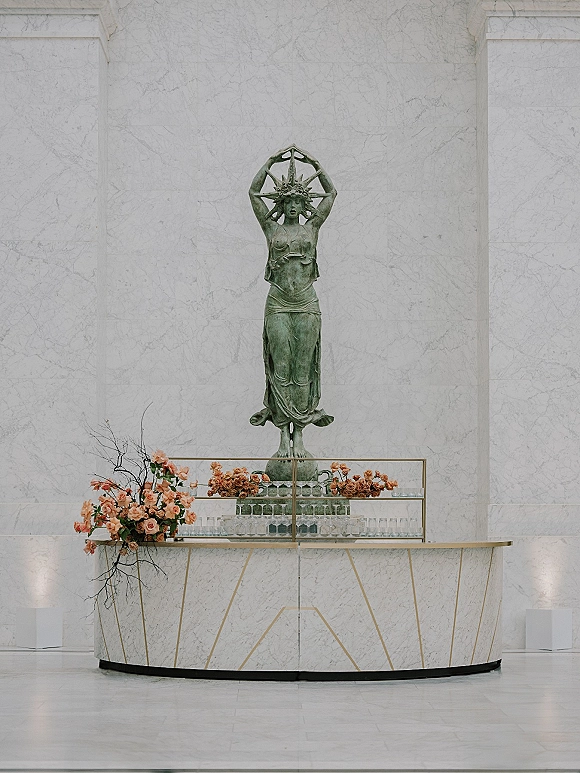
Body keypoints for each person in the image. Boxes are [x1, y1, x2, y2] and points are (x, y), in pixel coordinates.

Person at [249, 145, 337, 460]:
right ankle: (282, 438)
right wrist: (271, 161)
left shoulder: (311, 227)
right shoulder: (271, 228)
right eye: (287, 202)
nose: (293, 207)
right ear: (282, 203)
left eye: (298, 202)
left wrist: (315, 164)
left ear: (304, 205)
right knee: (281, 367)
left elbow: (331, 195)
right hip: (278, 302)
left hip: (306, 303)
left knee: (302, 369)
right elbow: (254, 194)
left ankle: (298, 433)